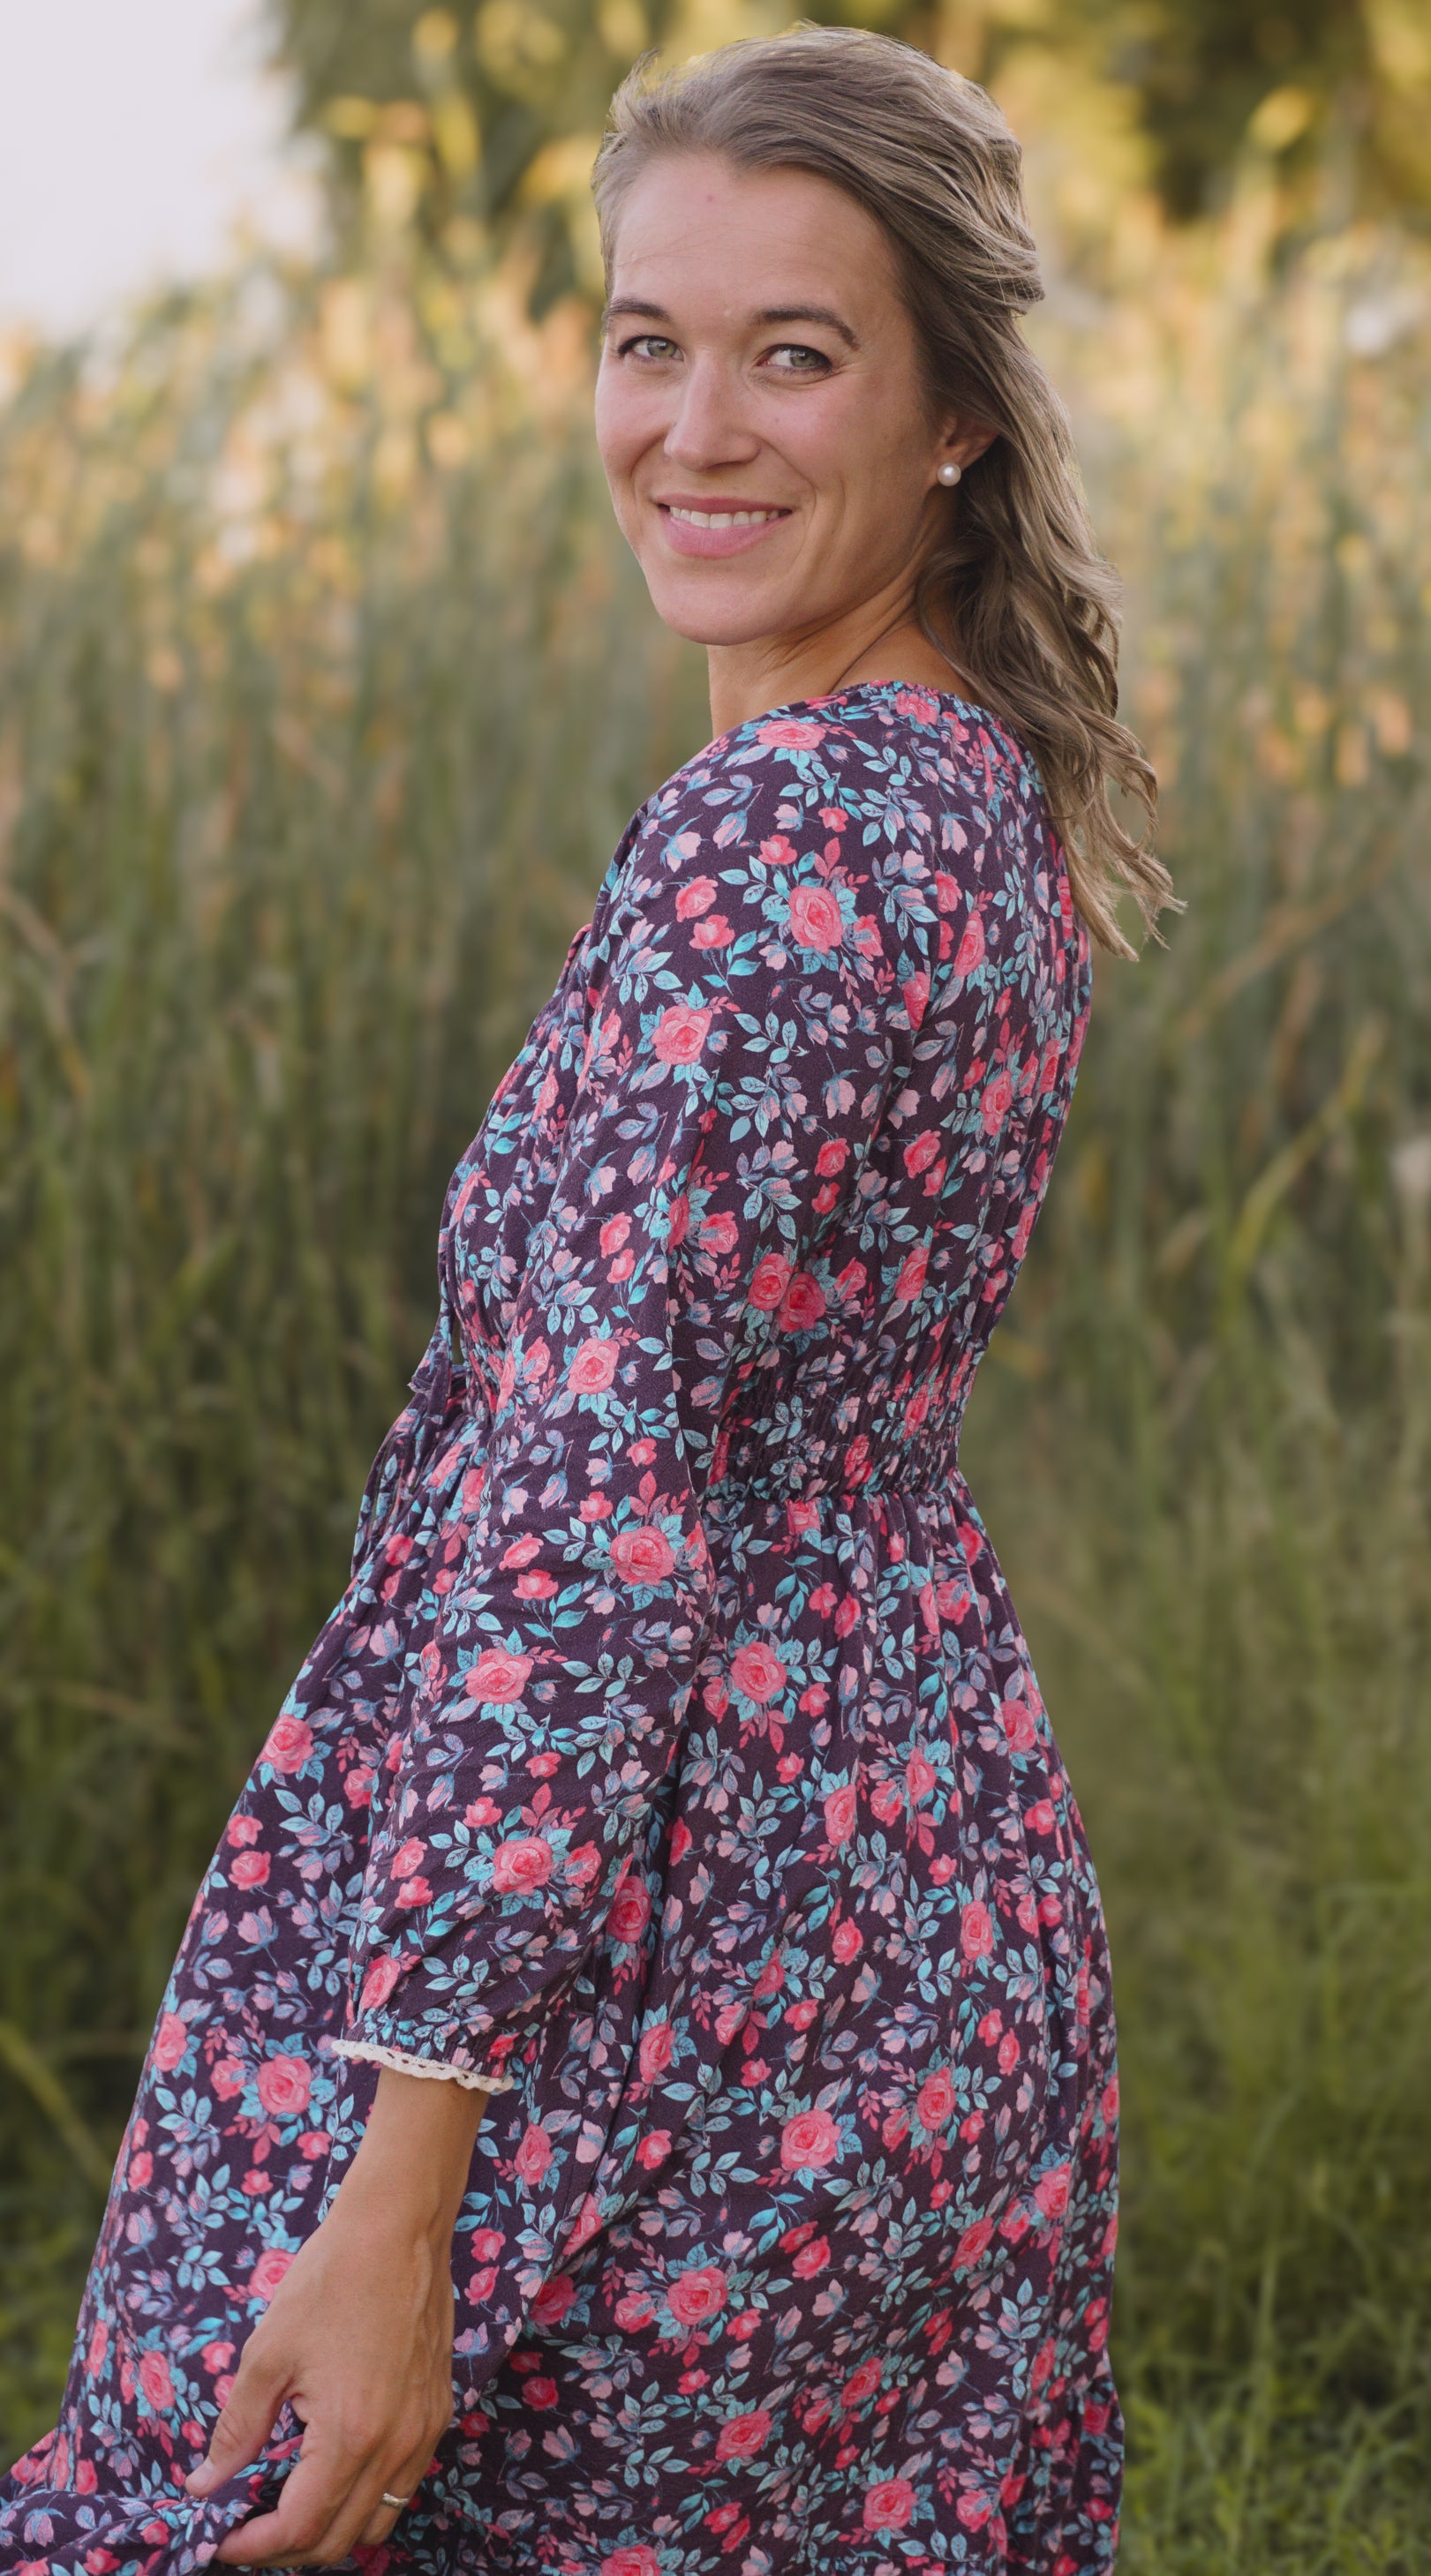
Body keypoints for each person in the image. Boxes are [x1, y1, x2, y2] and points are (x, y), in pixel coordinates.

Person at [1, 26, 1171, 2574]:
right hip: (909, 1900)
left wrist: (402, 2178)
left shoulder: (769, 851)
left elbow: (590, 1527)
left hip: (645, 1980)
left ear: (957, 408)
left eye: (794, 352)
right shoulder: (969, 790)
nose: (692, 426)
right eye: (648, 339)